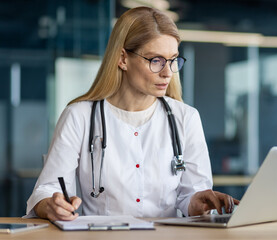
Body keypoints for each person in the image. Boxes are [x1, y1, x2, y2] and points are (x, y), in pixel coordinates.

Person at [25, 6, 239, 221]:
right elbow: (48, 189)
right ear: (122, 59)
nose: (167, 72)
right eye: (156, 60)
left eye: (173, 60)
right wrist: (51, 205)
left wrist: (196, 202)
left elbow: (191, 194)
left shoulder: (186, 118)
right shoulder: (79, 116)